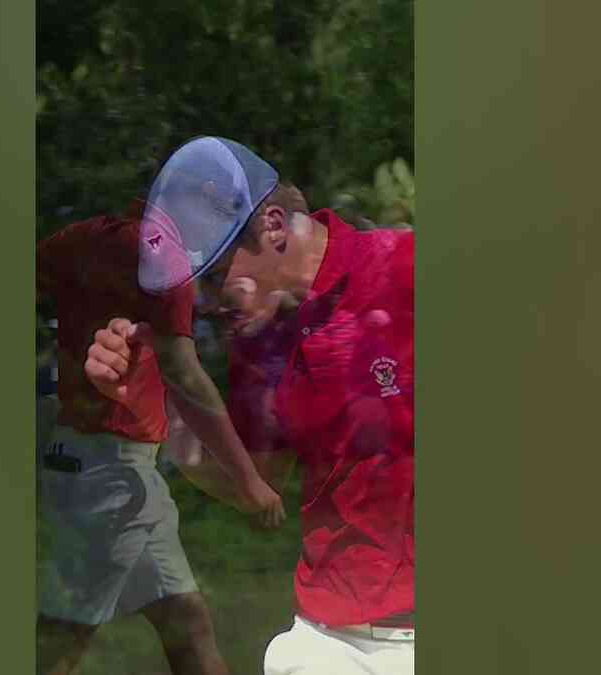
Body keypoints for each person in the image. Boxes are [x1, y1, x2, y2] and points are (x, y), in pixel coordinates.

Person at [83, 136, 415, 675]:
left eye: (214, 277)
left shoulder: (406, 271)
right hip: (329, 642)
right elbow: (254, 486)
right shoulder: (261, 342)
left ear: (276, 226)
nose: (209, 303)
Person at [35, 189, 286, 675]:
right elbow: (187, 379)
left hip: (89, 461)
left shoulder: (84, 236)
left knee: (187, 624)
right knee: (60, 643)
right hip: (110, 475)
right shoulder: (164, 258)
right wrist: (250, 484)